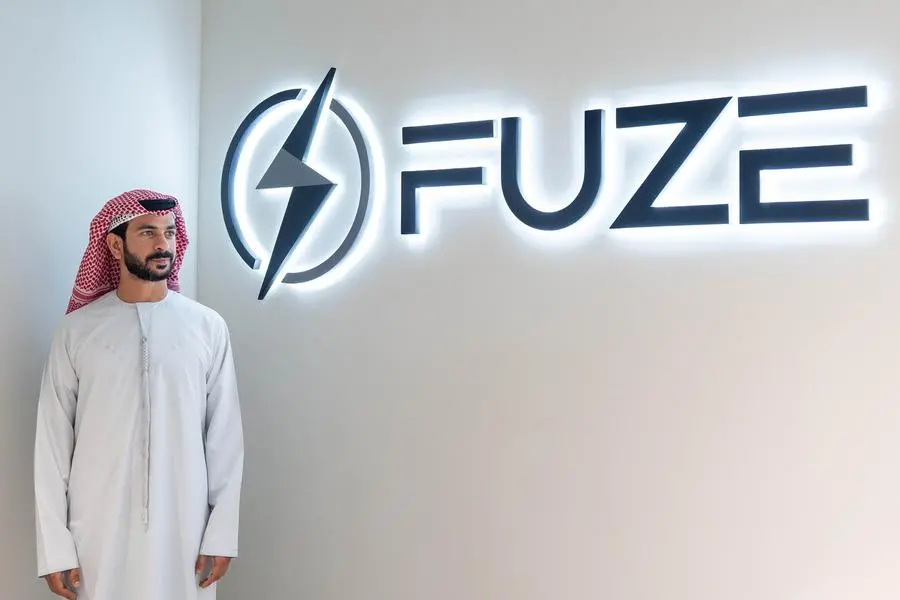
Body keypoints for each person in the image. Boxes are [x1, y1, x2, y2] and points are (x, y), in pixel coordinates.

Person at [33, 189, 244, 600]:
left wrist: (221, 534)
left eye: (169, 232)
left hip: (185, 528)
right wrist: (54, 548)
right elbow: (52, 445)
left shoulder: (207, 327)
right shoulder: (76, 331)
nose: (163, 243)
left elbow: (225, 438)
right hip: (97, 530)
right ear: (115, 245)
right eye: (147, 232)